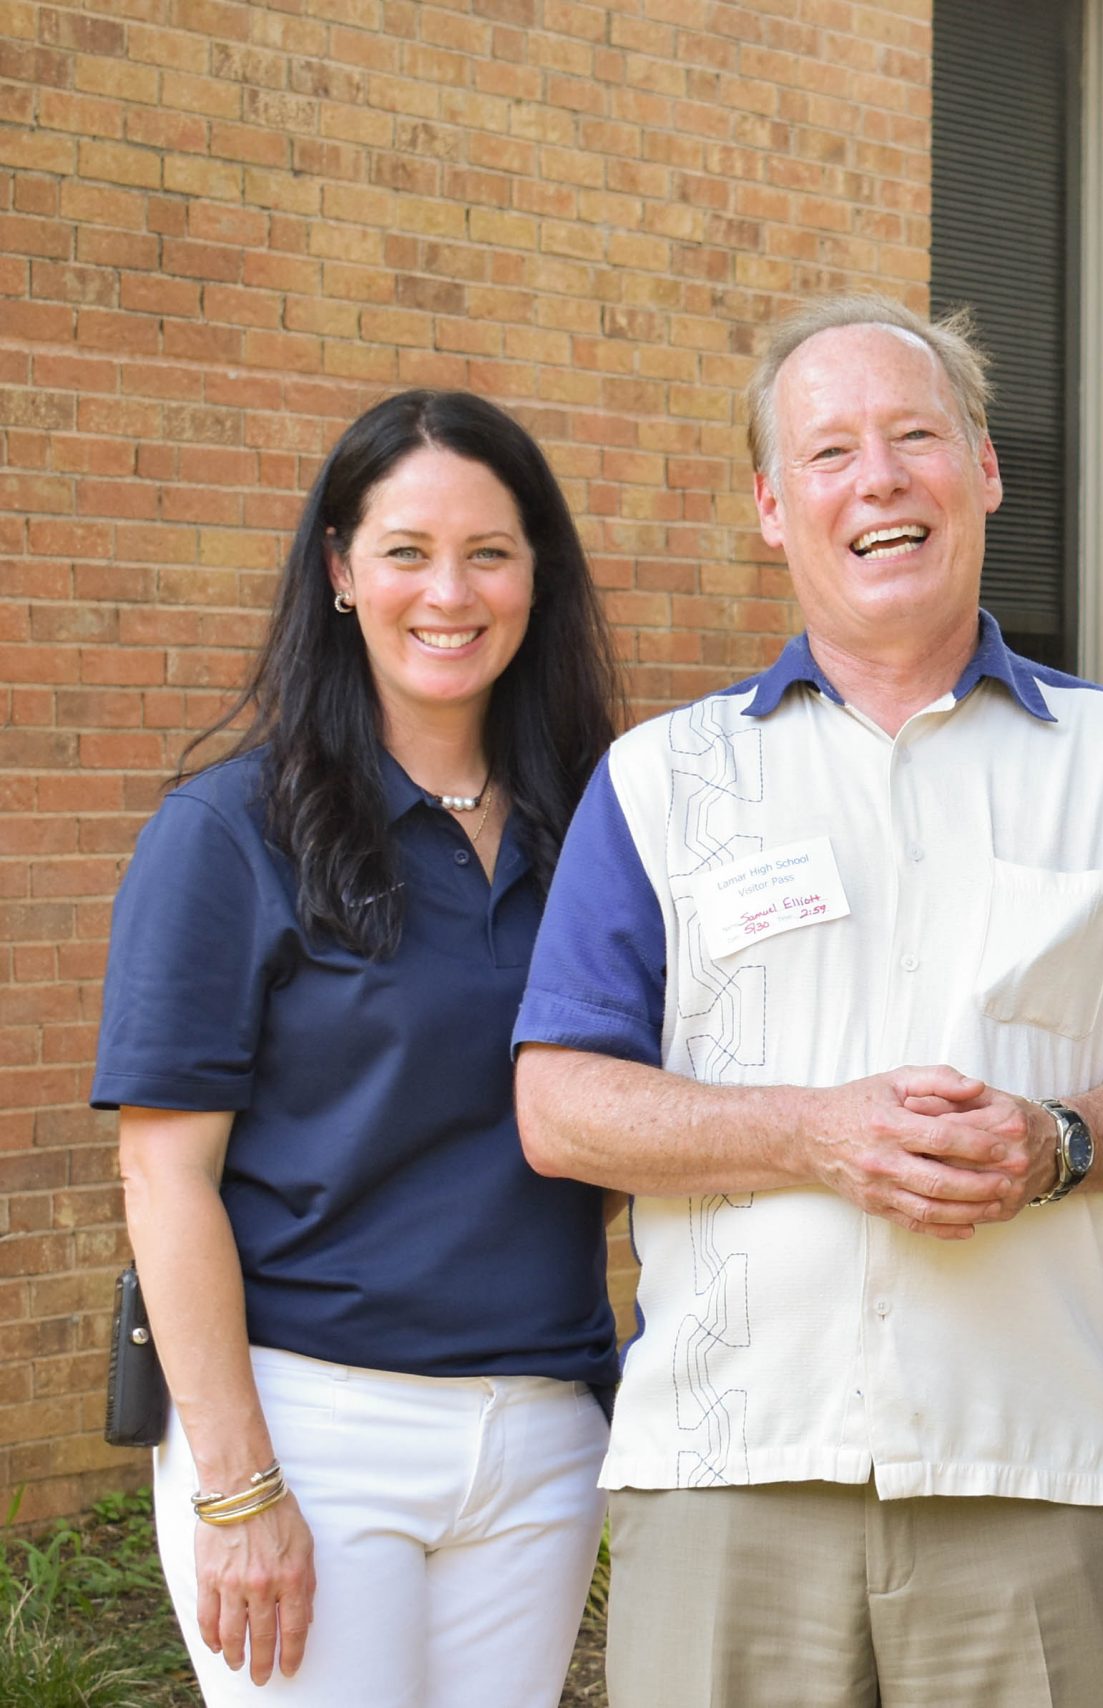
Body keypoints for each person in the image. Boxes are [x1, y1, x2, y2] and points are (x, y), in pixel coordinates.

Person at [511, 293, 1103, 1708]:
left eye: (917, 436)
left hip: (1030, 1464)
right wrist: (813, 1133)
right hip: (729, 1469)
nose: (880, 479)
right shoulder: (662, 782)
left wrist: (1059, 1142)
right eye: (831, 451)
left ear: (986, 469)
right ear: (771, 507)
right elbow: (560, 1106)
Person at [95, 391, 624, 1704]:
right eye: (405, 552)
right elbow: (162, 1176)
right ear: (340, 570)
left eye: (489, 552)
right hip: (315, 1429)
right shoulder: (229, 833)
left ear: (538, 575)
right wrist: (240, 1486)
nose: (449, 592)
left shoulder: (602, 831)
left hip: (545, 1430)